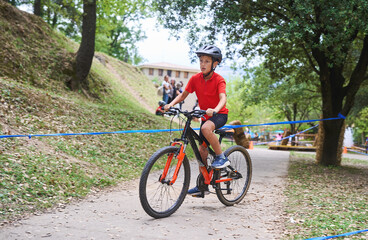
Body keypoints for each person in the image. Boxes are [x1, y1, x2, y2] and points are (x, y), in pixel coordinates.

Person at [164, 45, 229, 196]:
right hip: (205, 116)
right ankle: (203, 185)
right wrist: (170, 104)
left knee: (206, 129)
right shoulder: (195, 79)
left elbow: (223, 98)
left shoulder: (219, 80)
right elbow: (182, 95)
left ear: (215, 64)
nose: (203, 64)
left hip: (219, 115)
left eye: (207, 61)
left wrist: (216, 109)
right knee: (201, 151)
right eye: (201, 61)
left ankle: (221, 157)